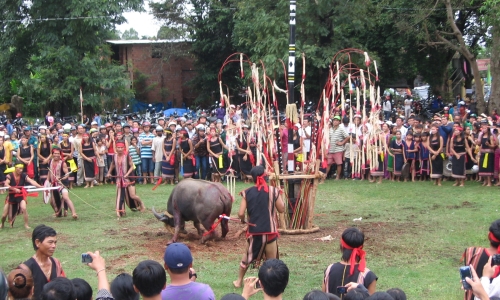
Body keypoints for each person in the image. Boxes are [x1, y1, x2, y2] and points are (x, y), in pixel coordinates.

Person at [233, 166, 285, 288]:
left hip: (254, 232)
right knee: (271, 261)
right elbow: (282, 209)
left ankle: (239, 281)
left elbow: (240, 213)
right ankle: (270, 284)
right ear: (265, 176)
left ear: (253, 178)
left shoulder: (247, 192)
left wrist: (243, 221)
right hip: (270, 232)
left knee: (246, 257)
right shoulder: (273, 191)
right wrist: (278, 193)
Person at [322, 227, 377, 296]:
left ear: (342, 245)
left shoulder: (329, 269)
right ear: (362, 247)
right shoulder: (368, 275)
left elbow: (322, 296)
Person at [19, 225, 65, 300]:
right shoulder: (25, 270)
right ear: (37, 242)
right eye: (50, 242)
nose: (54, 246)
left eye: (55, 242)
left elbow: (64, 289)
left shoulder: (56, 264)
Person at [107, 141, 145, 218]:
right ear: (116, 148)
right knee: (121, 195)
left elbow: (132, 166)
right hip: (119, 179)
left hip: (129, 178)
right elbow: (113, 164)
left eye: (121, 147)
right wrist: (109, 172)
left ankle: (141, 203)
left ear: (124, 148)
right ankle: (121, 211)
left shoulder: (127, 156)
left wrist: (127, 174)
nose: (120, 149)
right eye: (118, 147)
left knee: (132, 195)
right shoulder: (114, 156)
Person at [1, 163, 43, 229]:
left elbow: (31, 181)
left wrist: (39, 186)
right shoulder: (10, 175)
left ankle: (26, 225)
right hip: (11, 196)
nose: (21, 170)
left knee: (24, 208)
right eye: (19, 168)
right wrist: (14, 189)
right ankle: (2, 223)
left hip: (20, 195)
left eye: (22, 168)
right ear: (15, 168)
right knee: (4, 215)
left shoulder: (23, 175)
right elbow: (6, 184)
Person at [47, 147, 78, 219]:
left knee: (65, 197)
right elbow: (49, 171)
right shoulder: (50, 162)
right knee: (52, 202)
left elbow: (67, 174)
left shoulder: (62, 163)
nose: (56, 155)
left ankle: (74, 213)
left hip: (62, 184)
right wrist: (47, 180)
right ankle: (58, 212)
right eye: (55, 153)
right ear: (52, 154)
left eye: (58, 153)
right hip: (53, 184)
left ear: (60, 154)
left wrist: (61, 178)